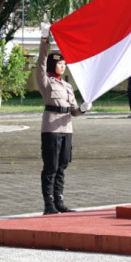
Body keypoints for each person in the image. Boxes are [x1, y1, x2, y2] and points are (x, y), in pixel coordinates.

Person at [37, 29, 86, 214]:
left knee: (63, 165)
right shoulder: (46, 82)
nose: (63, 67)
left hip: (66, 128)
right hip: (51, 129)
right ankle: (48, 204)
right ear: (52, 65)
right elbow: (40, 63)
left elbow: (74, 112)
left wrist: (82, 108)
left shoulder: (67, 86)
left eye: (64, 64)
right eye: (60, 64)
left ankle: (59, 201)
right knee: (51, 166)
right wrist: (44, 39)